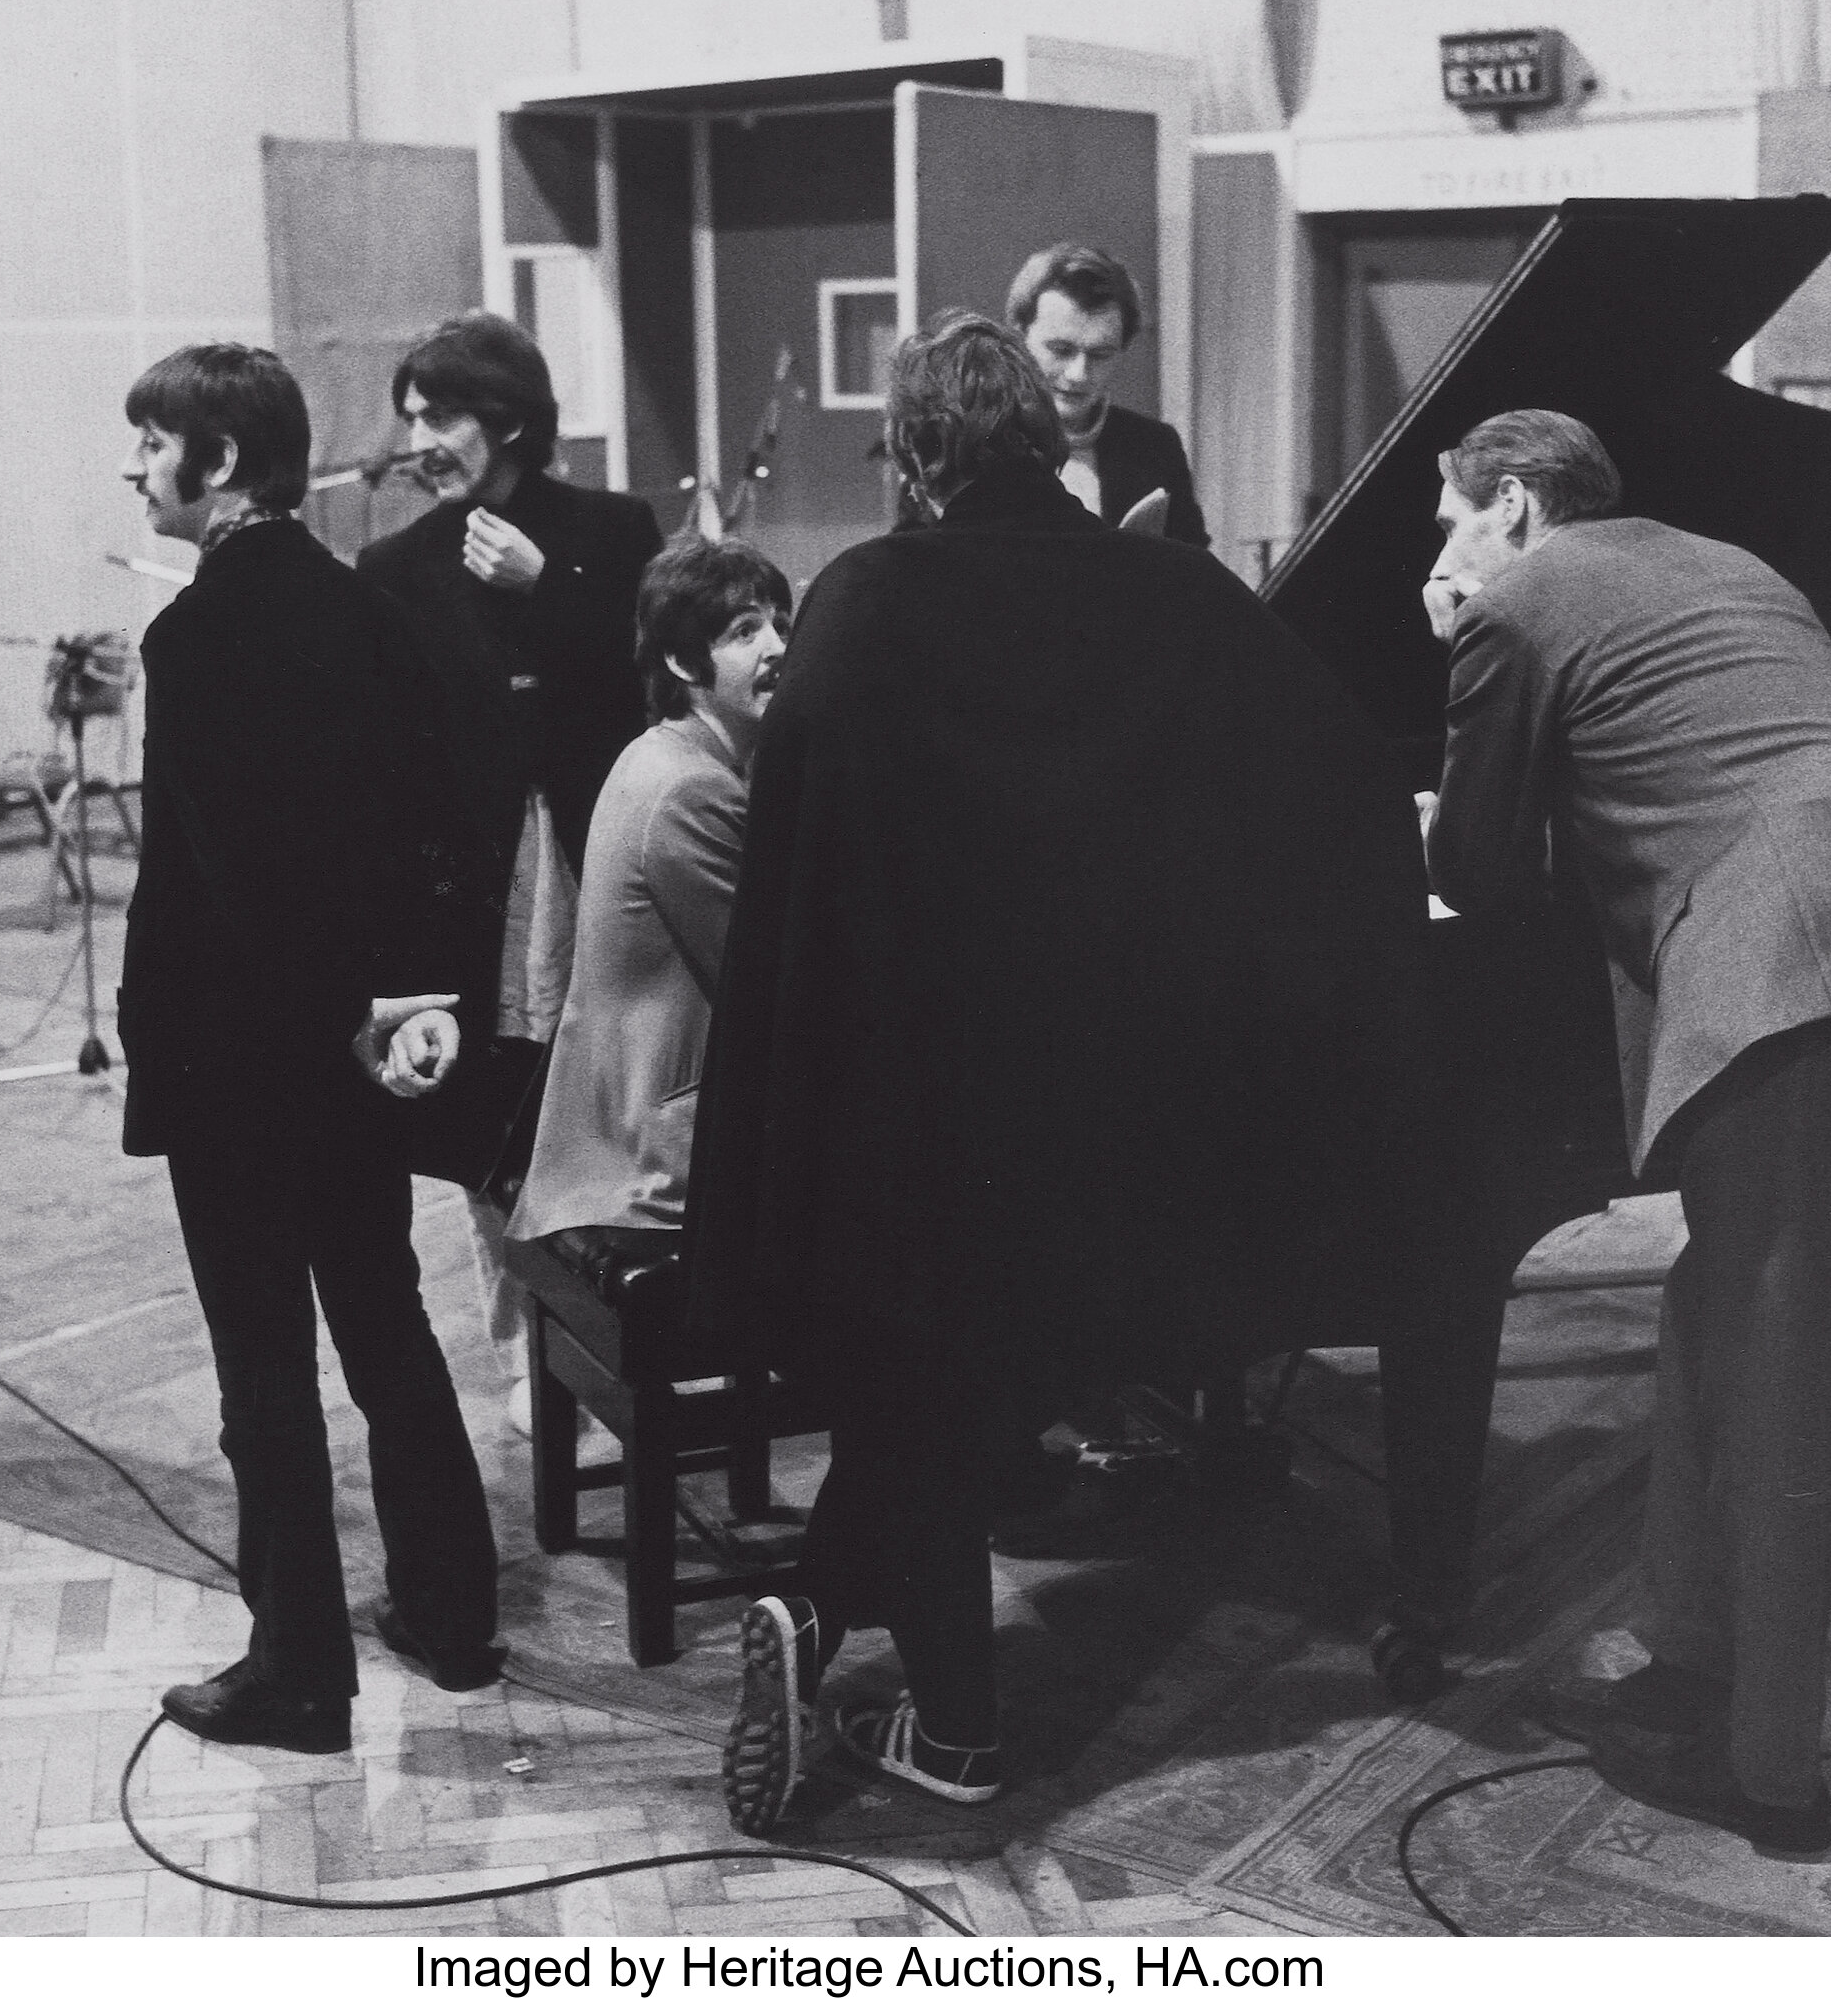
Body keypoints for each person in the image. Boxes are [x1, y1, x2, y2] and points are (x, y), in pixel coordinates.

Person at [691, 312, 1453, 1833]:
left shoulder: (862, 601)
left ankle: (942, 1712)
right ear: (1047, 437)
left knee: (915, 1376)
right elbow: (1352, 787)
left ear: (911, 457)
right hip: (1120, 1113)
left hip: (917, 1110)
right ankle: (860, 1643)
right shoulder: (1171, 591)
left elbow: (801, 867)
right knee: (1005, 1370)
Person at [1420, 409, 1831, 1857]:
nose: (1444, 553)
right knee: (1718, 1298)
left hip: (1810, 983)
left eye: (1448, 521)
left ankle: (1774, 1775)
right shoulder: (1725, 565)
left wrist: (1454, 640)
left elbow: (1473, 866)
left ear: (1512, 505)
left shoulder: (1513, 603)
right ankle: (1684, 1647)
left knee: (1777, 1369)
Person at [115, 344, 505, 1753]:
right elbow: (432, 835)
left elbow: (222, 878)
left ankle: (299, 1666)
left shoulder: (195, 637)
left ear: (218, 461)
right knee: (386, 1322)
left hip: (239, 1064)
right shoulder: (367, 611)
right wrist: (386, 1012)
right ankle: (453, 1612)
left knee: (263, 1365)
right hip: (354, 1055)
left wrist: (191, 1030)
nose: (135, 467)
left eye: (151, 443)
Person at [353, 311, 664, 1434]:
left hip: (604, 859)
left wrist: (553, 586)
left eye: (442, 414)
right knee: (490, 1115)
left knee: (615, 1099)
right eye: (412, 418)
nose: (421, 438)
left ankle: (627, 1344)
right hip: (473, 887)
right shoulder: (393, 566)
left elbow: (656, 679)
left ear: (511, 418)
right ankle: (531, 1360)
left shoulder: (609, 531)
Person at [509, 534, 791, 1251]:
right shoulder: (689, 790)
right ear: (679, 660)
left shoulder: (666, 755)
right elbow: (767, 981)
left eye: (780, 623)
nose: (778, 647)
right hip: (657, 1161)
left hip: (631, 1128)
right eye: (744, 631)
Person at [1003, 242, 1207, 547]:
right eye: (1061, 350)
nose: (1079, 374)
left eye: (1100, 354)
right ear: (1019, 338)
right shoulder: (974, 445)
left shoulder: (1155, 448)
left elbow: (1196, 575)